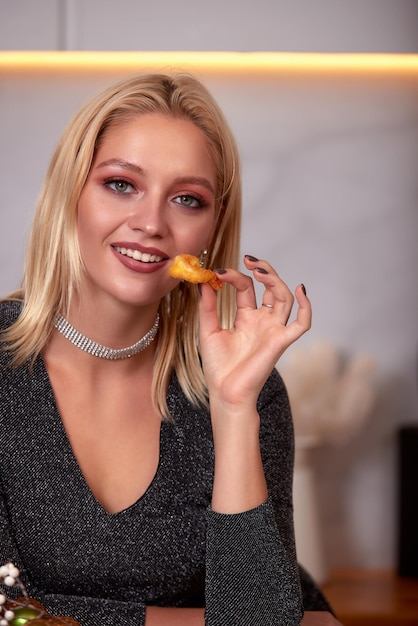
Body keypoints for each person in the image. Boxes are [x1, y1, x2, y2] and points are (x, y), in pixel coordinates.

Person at [0, 73, 341, 626]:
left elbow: (259, 616)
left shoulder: (242, 387)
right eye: (120, 184)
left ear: (212, 226)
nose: (152, 223)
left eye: (187, 199)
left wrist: (234, 408)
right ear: (71, 193)